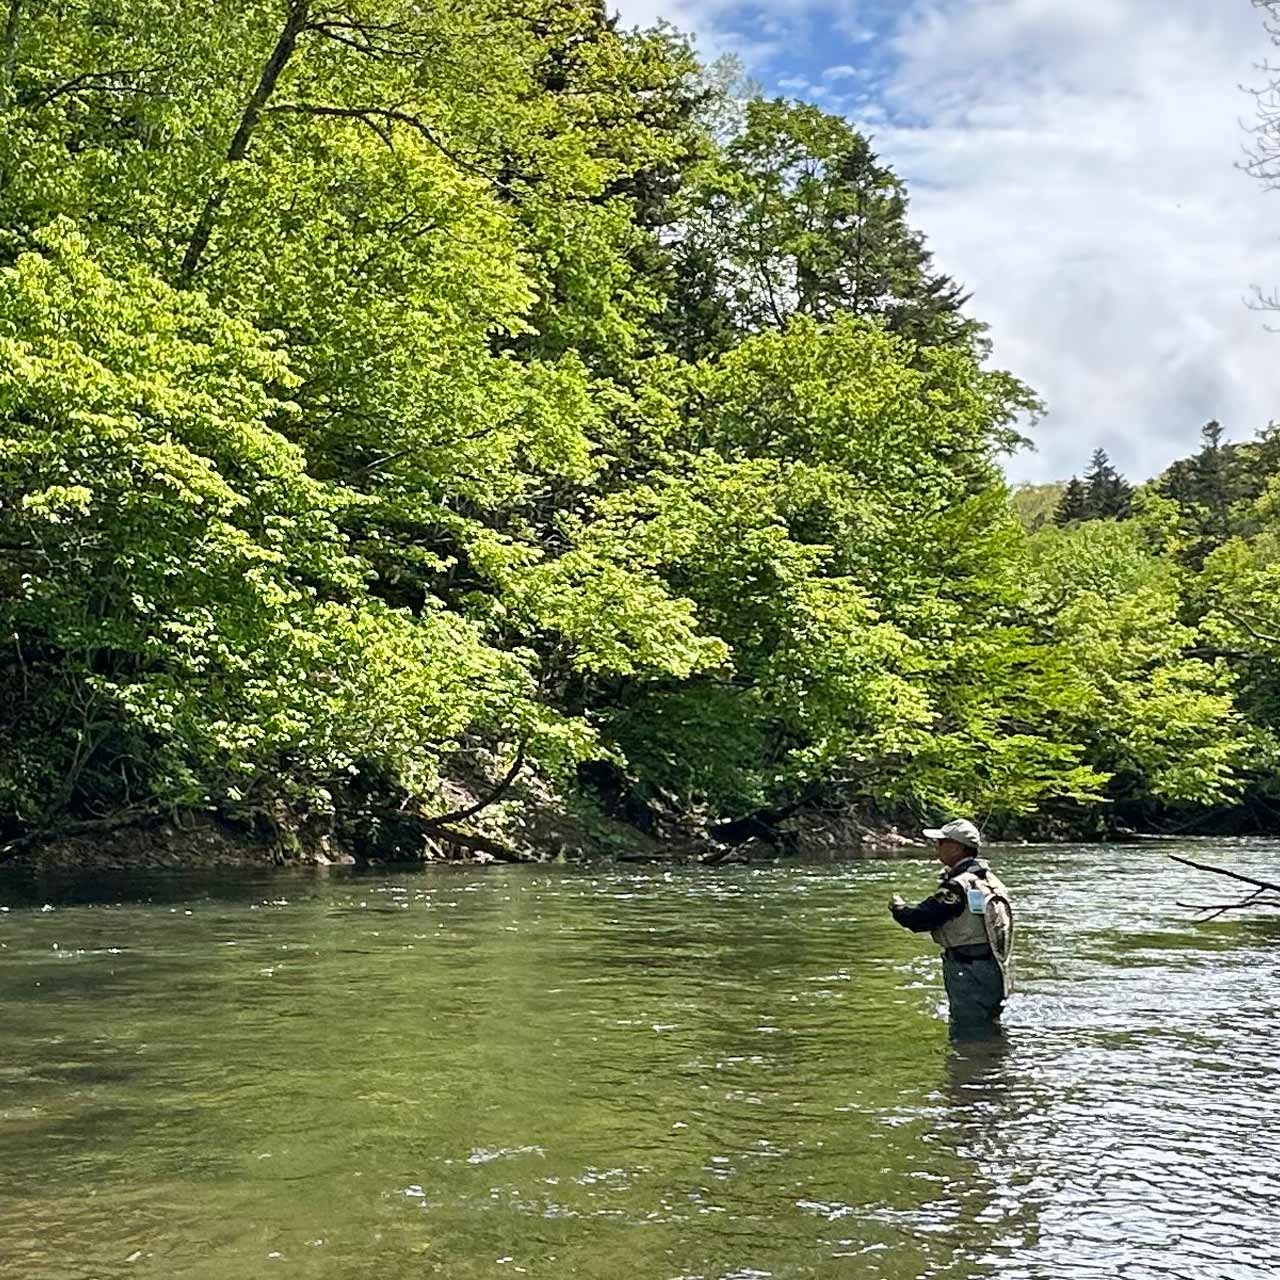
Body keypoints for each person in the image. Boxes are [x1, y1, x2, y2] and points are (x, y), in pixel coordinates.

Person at [888, 818, 1013, 1033]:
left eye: (941, 842)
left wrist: (898, 908)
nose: (937, 847)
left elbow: (921, 919)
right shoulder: (991, 880)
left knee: (967, 1030)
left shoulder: (958, 886)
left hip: (968, 970)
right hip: (995, 968)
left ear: (956, 847)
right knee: (988, 1027)